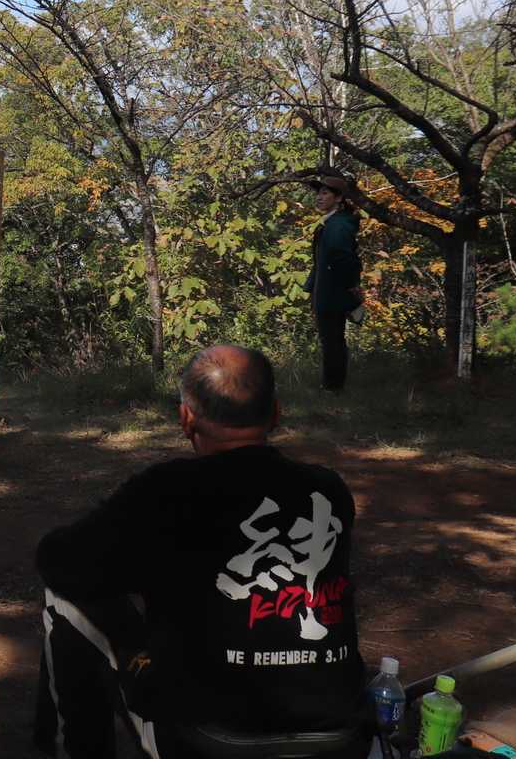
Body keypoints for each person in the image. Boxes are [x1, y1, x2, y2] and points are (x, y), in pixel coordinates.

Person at [33, 345, 366, 759]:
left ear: (186, 418)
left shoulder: (165, 492)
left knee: (63, 596)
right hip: (340, 737)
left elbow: (60, 561)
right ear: (276, 413)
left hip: (207, 742)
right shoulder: (328, 491)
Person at [303, 174, 364, 392]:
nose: (319, 197)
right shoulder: (332, 223)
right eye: (318, 193)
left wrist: (351, 288)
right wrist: (312, 288)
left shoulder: (337, 225)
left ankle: (332, 388)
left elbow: (344, 259)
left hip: (333, 292)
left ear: (338, 198)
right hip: (327, 291)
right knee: (332, 339)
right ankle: (332, 386)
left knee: (332, 341)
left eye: (325, 193)